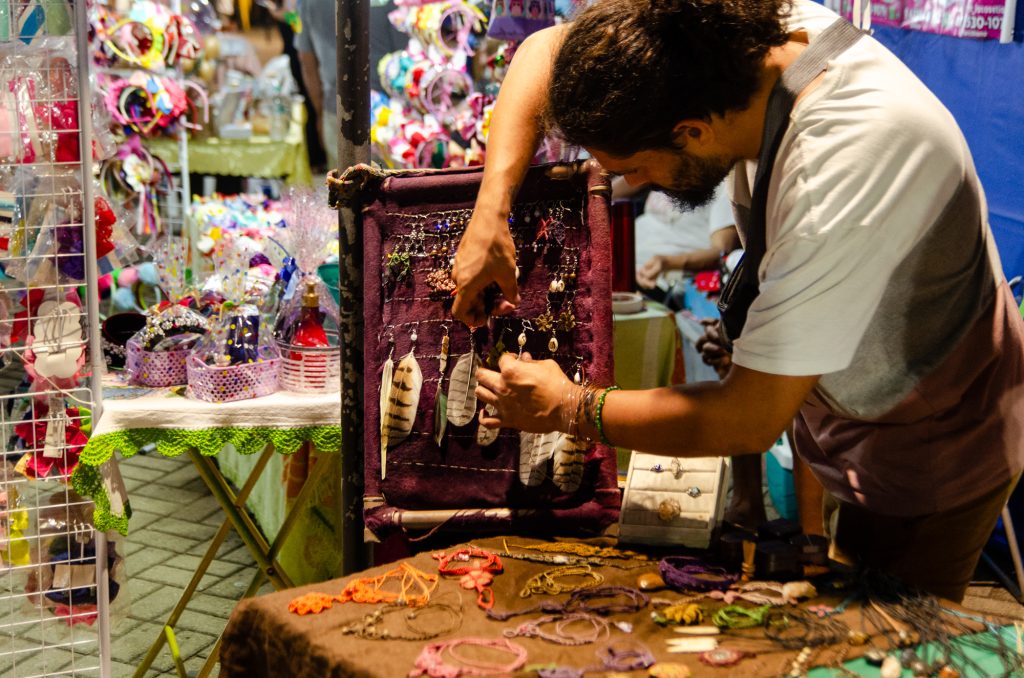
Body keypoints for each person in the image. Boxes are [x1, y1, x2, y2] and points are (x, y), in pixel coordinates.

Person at [452, 0, 1024, 602]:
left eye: (636, 168)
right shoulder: (722, 43)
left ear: (692, 131)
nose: (637, 185)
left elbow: (750, 417)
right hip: (851, 416)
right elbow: (545, 50)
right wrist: (492, 212)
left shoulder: (842, 158)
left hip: (936, 437)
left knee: (886, 639)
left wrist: (571, 405)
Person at [295, 0, 404, 170]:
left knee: (346, 188)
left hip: (338, 111)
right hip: (390, 116)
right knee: (391, 190)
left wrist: (320, 112)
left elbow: (307, 60)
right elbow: (406, 55)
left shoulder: (309, 3)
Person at [623, 180, 739, 294]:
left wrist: (668, 262)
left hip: (654, 282)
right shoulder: (673, 168)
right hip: (621, 263)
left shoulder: (725, 183)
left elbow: (722, 252)